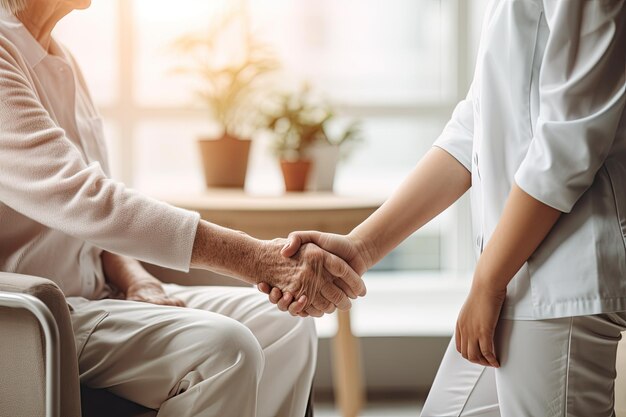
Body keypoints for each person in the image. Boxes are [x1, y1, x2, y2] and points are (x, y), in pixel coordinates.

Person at [0, 0, 367, 416]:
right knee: (225, 351)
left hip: (96, 298)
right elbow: (85, 199)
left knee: (287, 326)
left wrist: (136, 278)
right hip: (31, 318)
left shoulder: (60, 58)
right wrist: (257, 259)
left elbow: (87, 226)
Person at [261, 0, 626, 415]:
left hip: (562, 275)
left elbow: (567, 145)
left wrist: (487, 283)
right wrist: (360, 248)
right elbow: (473, 126)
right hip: (518, 271)